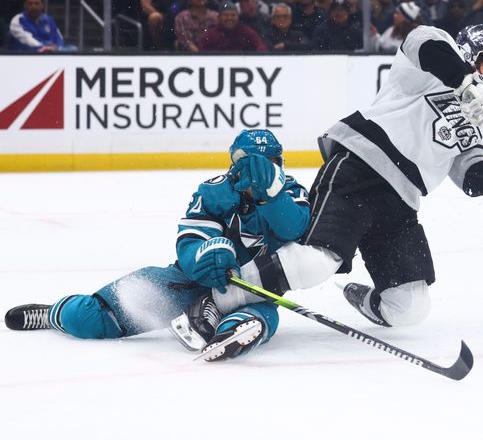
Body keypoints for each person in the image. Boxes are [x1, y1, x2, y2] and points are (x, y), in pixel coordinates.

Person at [174, 24, 483, 347]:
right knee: (314, 264)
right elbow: (421, 43)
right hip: (358, 170)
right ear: (477, 58)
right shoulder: (430, 67)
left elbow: (471, 175)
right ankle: (213, 299)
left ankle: (361, 296)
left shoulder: (475, 120)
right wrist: (464, 82)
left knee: (410, 308)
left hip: (401, 203)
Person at [5, 130, 310, 362]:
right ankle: (53, 313)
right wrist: (206, 256)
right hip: (190, 282)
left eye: (266, 164)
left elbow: (294, 227)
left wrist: (271, 196)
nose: (256, 172)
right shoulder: (214, 192)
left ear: (280, 163)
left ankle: (229, 328)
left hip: (253, 291)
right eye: (248, 164)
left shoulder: (293, 192)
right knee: (86, 319)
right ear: (234, 163)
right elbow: (190, 243)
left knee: (260, 315)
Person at [199, 4, 268, 52]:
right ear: (219, 18)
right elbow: (202, 53)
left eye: (233, 15)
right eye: (226, 15)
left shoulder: (246, 32)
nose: (230, 18)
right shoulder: (211, 34)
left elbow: (261, 48)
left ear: (238, 17)